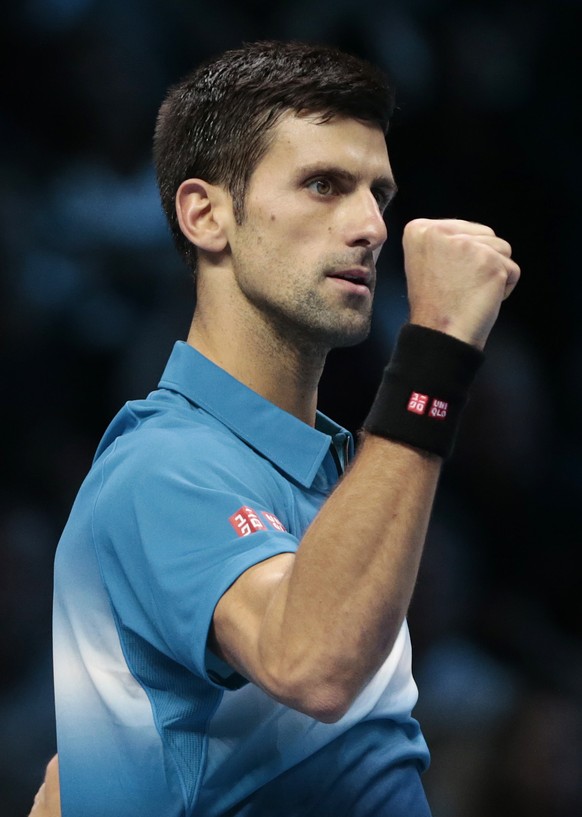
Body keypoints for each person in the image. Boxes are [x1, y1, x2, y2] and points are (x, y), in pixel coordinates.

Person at [30, 40, 520, 817]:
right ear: (205, 215)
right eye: (324, 185)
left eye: (379, 195)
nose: (371, 227)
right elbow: (313, 661)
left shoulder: (342, 474)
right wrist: (435, 354)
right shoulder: (161, 464)